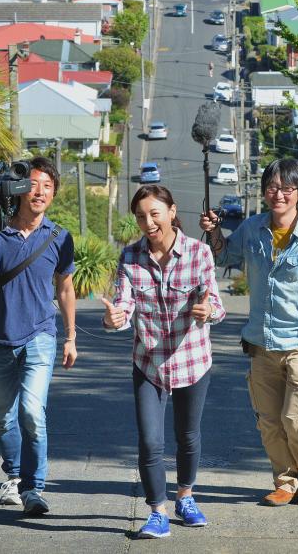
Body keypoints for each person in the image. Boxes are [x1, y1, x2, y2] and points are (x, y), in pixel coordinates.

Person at [200, 158, 298, 507]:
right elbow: (222, 257)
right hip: (260, 342)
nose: (278, 194)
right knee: (268, 421)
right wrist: (214, 231)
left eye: (287, 188)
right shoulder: (251, 228)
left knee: (296, 419)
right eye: (272, 187)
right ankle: (285, 481)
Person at [102, 185, 225, 539]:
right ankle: (158, 511)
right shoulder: (129, 257)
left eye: (155, 213)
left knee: (187, 436)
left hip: (192, 360)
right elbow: (123, 305)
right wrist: (116, 320)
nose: (148, 221)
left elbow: (215, 301)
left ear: (172, 212)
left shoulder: (199, 253)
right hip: (149, 362)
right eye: (141, 216)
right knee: (150, 440)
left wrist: (208, 310)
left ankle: (186, 496)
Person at [0, 156, 77, 516]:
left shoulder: (59, 237)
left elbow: (64, 289)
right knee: (4, 417)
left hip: (40, 335)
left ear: (54, 193)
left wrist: (71, 336)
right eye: (33, 184)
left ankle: (34, 489)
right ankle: (14, 475)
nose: (40, 191)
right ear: (19, 189)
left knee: (32, 412)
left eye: (48, 186)